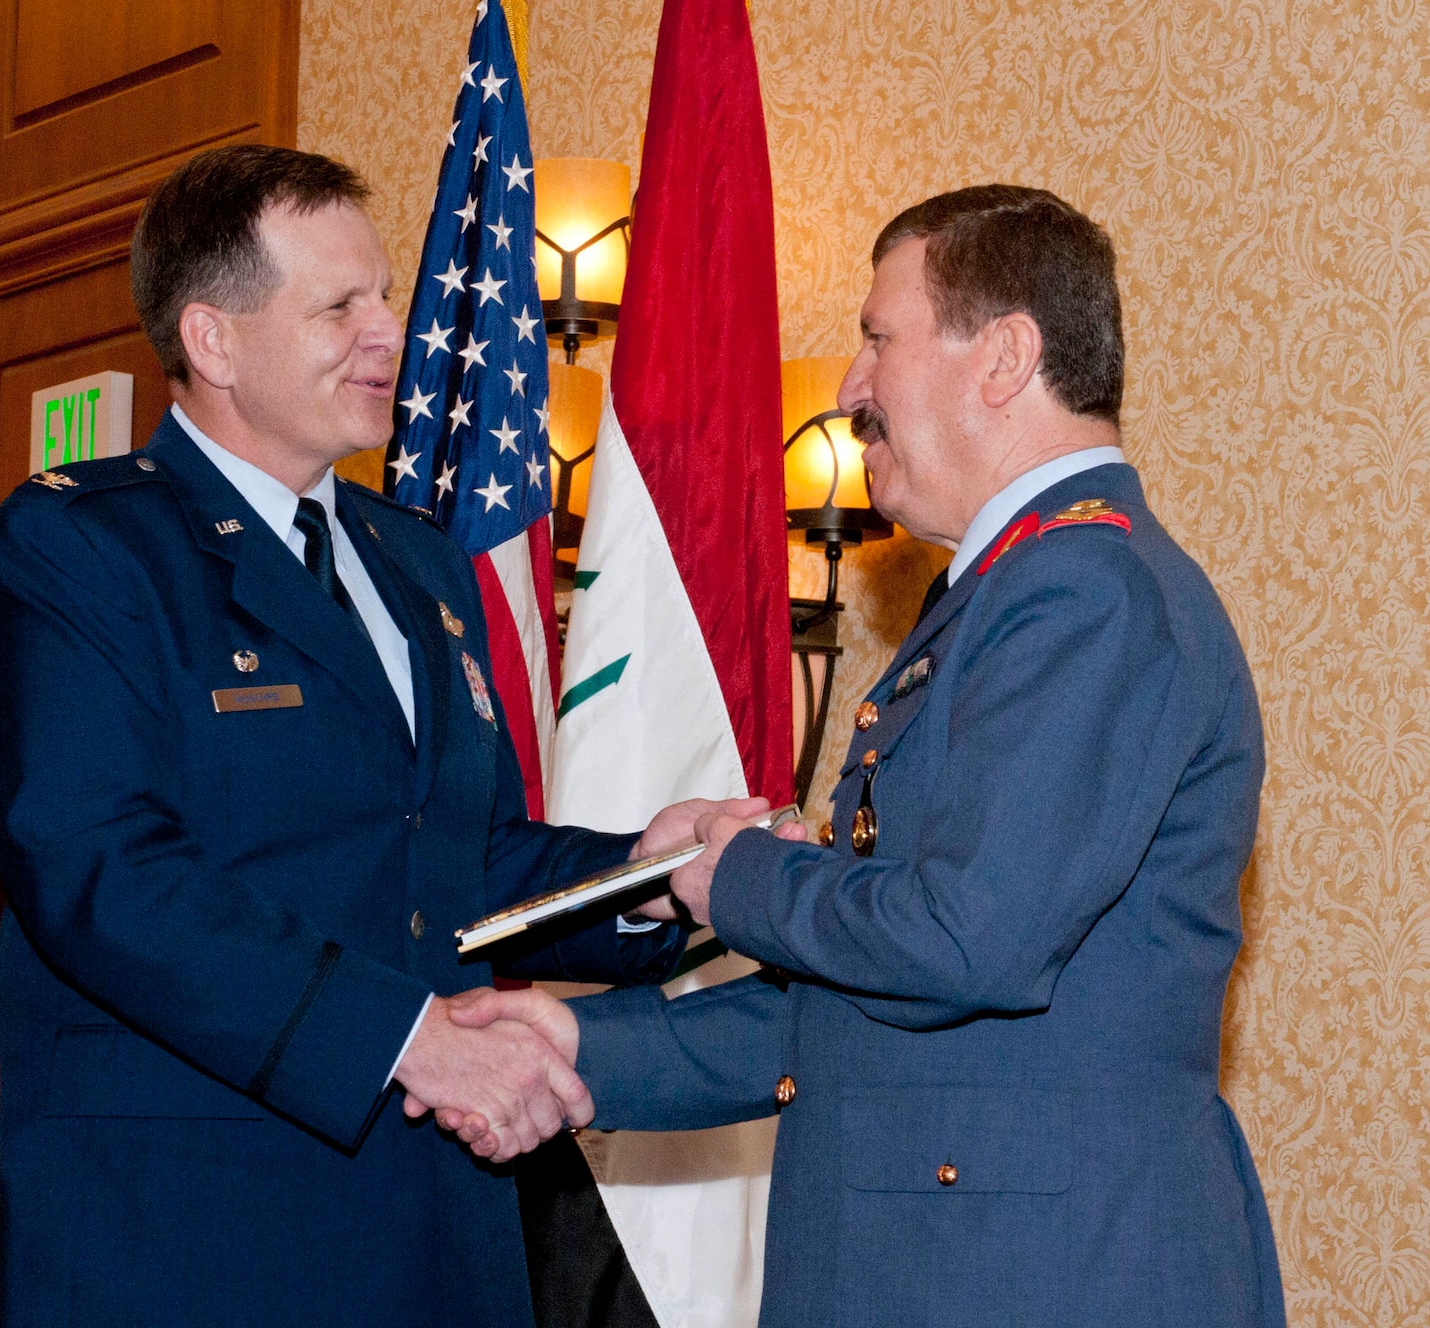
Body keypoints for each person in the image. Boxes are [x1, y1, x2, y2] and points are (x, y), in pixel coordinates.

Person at [447, 186, 1288, 1327]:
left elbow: (967, 938)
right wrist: (581, 1043)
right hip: (949, 1262)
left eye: (876, 337)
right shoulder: (1002, 596)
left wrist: (733, 873)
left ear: (1001, 357)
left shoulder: (1084, 590)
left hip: (1042, 1275)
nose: (847, 388)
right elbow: (854, 1011)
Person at [0, 143, 762, 1328]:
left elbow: (465, 860)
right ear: (214, 340)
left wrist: (651, 870)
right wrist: (403, 1038)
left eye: (383, 295)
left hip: (432, 1220)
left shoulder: (417, 560)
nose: (389, 330)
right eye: (339, 305)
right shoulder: (81, 547)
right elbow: (102, 874)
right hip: (183, 1226)